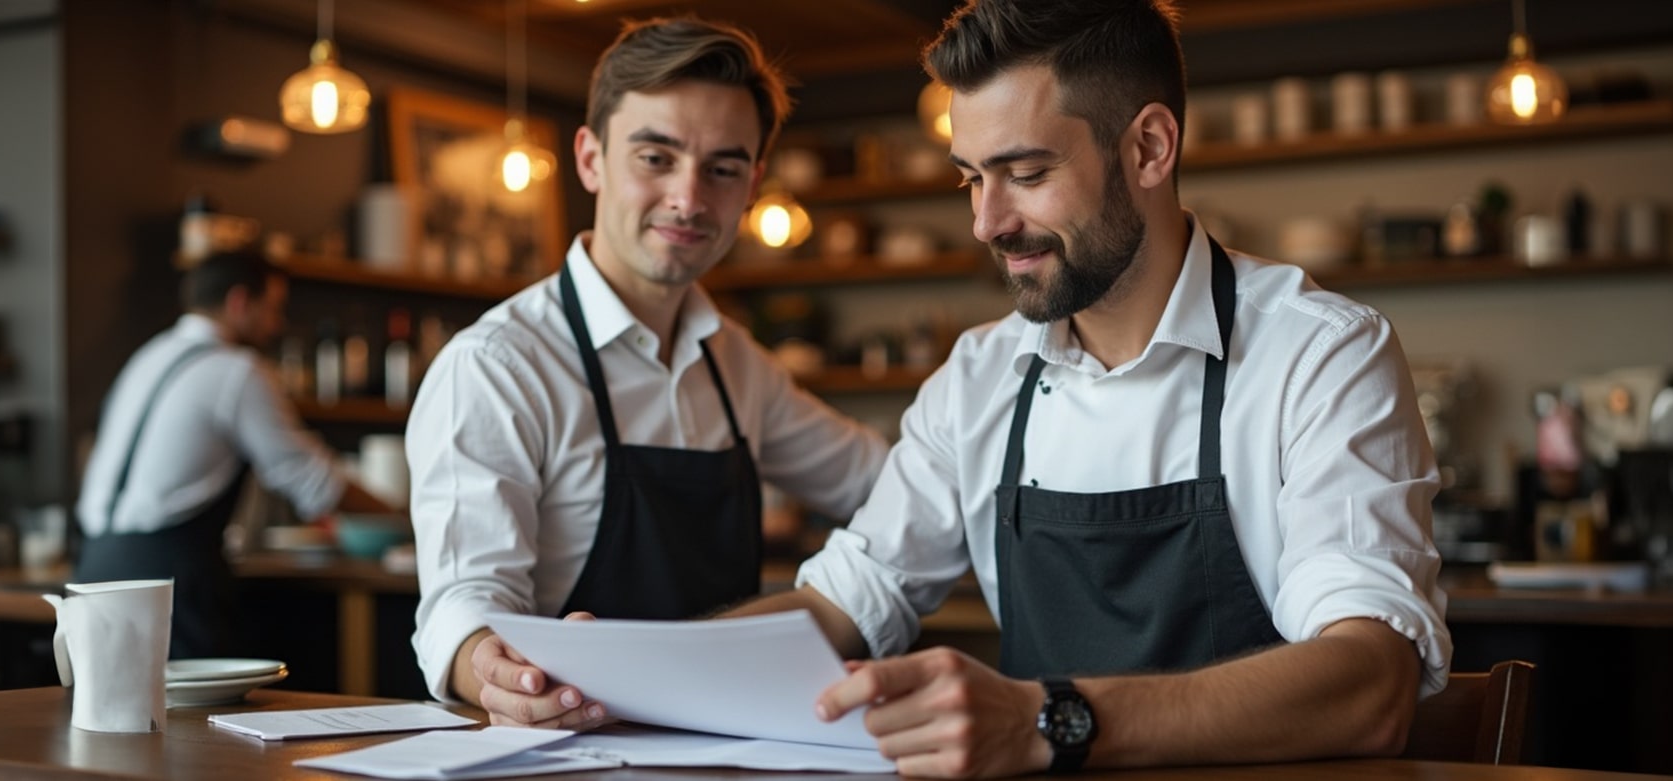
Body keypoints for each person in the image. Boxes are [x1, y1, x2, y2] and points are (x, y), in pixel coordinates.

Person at [523, 0, 1450, 776]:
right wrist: (621, 672)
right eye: (972, 178)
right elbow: (849, 598)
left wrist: (1047, 719)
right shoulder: (979, 377)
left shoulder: (1322, 355)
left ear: (1151, 147)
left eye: (1028, 173)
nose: (987, 222)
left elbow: (1369, 684)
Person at [407, 16, 891, 721]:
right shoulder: (498, 364)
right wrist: (493, 672)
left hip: (723, 746)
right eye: (655, 158)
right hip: (566, 747)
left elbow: (882, 480)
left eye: (722, 169)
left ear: (753, 182)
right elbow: (464, 603)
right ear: (591, 158)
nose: (689, 200)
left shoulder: (736, 362)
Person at [75, 250, 397, 660]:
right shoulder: (237, 370)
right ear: (239, 302)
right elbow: (316, 482)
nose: (276, 324)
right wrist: (403, 520)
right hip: (167, 586)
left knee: (104, 720)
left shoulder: (146, 357)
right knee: (192, 724)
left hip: (92, 570)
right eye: (273, 309)